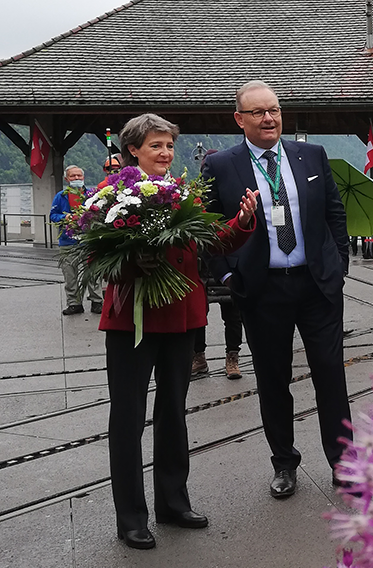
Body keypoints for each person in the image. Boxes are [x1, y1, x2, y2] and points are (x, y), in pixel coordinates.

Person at [99, 113, 258, 550]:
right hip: (132, 321)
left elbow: (214, 240)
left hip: (180, 316)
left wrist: (243, 220)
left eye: (169, 145)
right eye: (156, 145)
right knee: (128, 418)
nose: (165, 153)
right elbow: (100, 258)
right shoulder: (111, 194)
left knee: (173, 412)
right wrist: (134, 263)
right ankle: (131, 517)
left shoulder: (184, 193)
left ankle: (173, 503)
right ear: (133, 150)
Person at [203, 80, 352, 499]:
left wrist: (338, 265)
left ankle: (344, 462)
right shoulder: (221, 166)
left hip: (317, 285)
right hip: (262, 289)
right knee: (272, 380)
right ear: (240, 119)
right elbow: (208, 228)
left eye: (274, 110)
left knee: (331, 375)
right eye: (258, 112)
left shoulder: (312, 155)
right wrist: (227, 276)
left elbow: (334, 213)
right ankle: (284, 463)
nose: (269, 118)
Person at [191, 149, 246, 380]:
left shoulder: (232, 192)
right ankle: (198, 357)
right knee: (198, 314)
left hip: (226, 257)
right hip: (201, 263)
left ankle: (232, 358)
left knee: (232, 315)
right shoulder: (194, 195)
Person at [50, 165, 103, 315]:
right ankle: (74, 303)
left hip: (88, 240)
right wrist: (65, 217)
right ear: (66, 179)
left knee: (93, 273)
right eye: (73, 176)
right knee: (70, 275)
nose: (76, 178)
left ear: (83, 177)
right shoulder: (60, 196)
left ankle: (97, 301)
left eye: (79, 175)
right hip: (67, 241)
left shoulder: (92, 195)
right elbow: (53, 215)